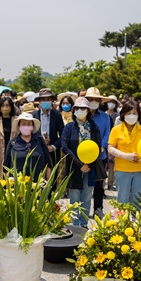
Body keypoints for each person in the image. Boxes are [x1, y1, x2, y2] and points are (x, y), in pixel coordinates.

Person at [61, 97, 102, 228]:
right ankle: (74, 225)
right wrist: (79, 164)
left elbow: (97, 145)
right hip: (74, 167)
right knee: (74, 198)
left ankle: (83, 224)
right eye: (77, 108)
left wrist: (88, 164)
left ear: (88, 111)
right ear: (73, 111)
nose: (80, 110)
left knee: (86, 197)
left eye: (83, 108)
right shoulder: (69, 127)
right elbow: (65, 146)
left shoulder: (94, 127)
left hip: (90, 167)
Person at [108, 100, 141, 204]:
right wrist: (126, 156)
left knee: (138, 200)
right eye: (129, 113)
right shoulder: (116, 129)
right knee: (122, 199)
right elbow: (110, 148)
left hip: (139, 169)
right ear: (123, 114)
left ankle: (136, 220)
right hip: (122, 169)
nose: (132, 116)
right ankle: (121, 220)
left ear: (139, 115)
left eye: (134, 113)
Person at [85, 87, 111, 216]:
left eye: (96, 99)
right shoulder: (83, 114)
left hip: (100, 154)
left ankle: (98, 208)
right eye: (90, 99)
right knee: (85, 182)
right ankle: (83, 208)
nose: (93, 101)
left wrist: (103, 146)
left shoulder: (105, 117)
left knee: (99, 183)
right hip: (85, 154)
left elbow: (107, 132)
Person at [4, 113, 51, 180]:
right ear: (19, 126)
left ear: (32, 126)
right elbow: (6, 166)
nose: (26, 126)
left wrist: (47, 181)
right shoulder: (13, 143)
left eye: (29, 124)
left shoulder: (40, 141)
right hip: (18, 185)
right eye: (23, 124)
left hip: (39, 184)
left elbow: (48, 163)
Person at [32, 88, 64, 171]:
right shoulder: (33, 115)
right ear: (39, 101)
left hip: (52, 152)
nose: (45, 101)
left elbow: (63, 135)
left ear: (52, 100)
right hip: (37, 151)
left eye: (48, 99)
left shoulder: (57, 115)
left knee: (52, 177)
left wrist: (53, 147)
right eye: (43, 99)